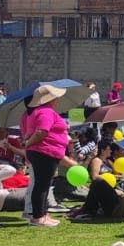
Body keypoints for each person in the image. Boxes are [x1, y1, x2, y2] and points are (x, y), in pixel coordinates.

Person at [20, 83, 70, 228]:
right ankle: (38, 216)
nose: (57, 100)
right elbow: (41, 131)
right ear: (49, 99)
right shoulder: (46, 112)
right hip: (44, 151)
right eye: (55, 97)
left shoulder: (37, 112)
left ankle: (42, 213)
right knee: (42, 185)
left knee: (43, 185)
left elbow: (33, 132)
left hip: (43, 151)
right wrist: (28, 143)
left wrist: (27, 142)